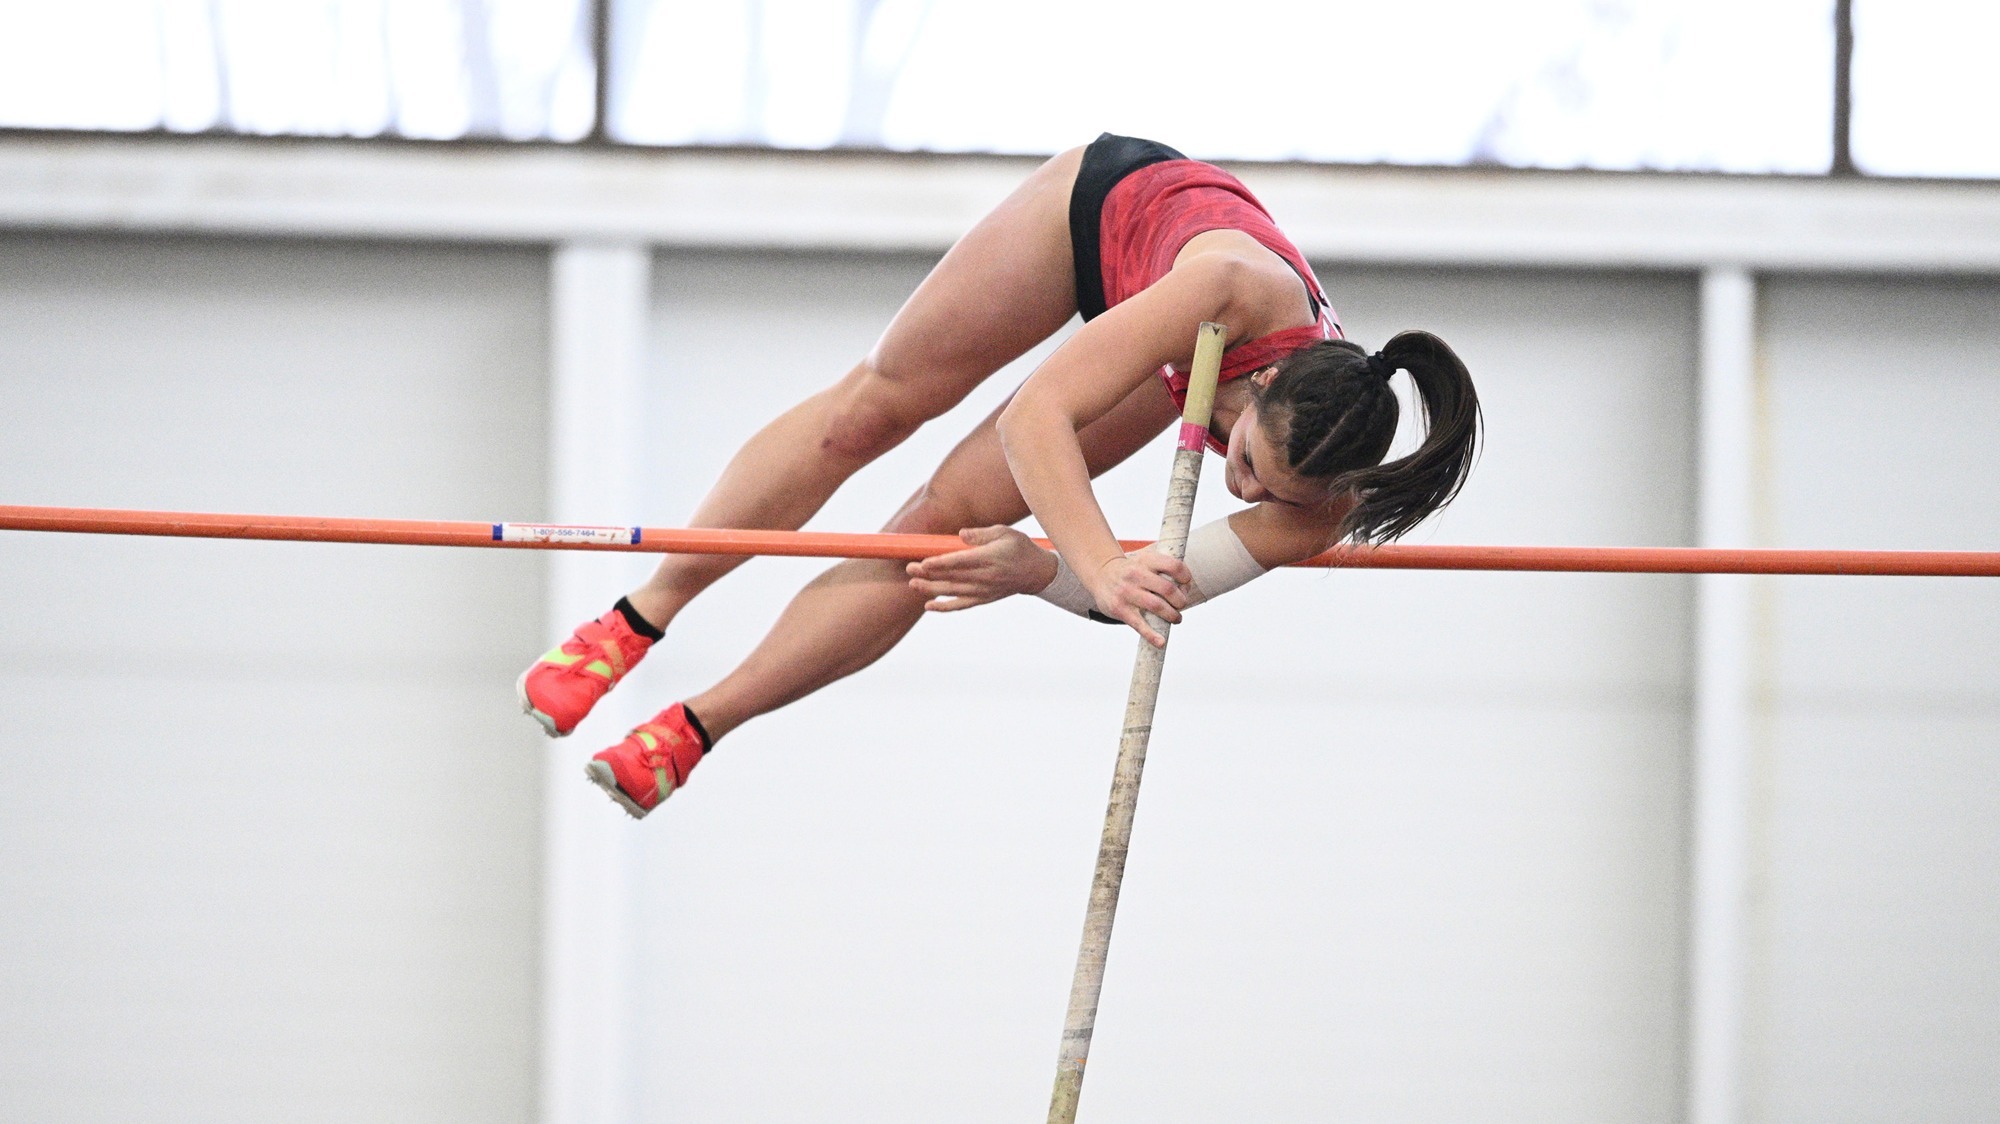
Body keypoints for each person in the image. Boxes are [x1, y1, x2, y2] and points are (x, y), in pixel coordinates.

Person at [518, 134, 1481, 819]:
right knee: (875, 409)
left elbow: (1134, 600)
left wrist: (1040, 572)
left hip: (1174, 369)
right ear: (1264, 382)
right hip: (1101, 220)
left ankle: (692, 730)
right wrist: (1098, 556)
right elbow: (1037, 415)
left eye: (1273, 501)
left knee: (945, 529)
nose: (1246, 500)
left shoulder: (1321, 506)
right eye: (1245, 464)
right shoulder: (1230, 283)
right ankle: (634, 619)